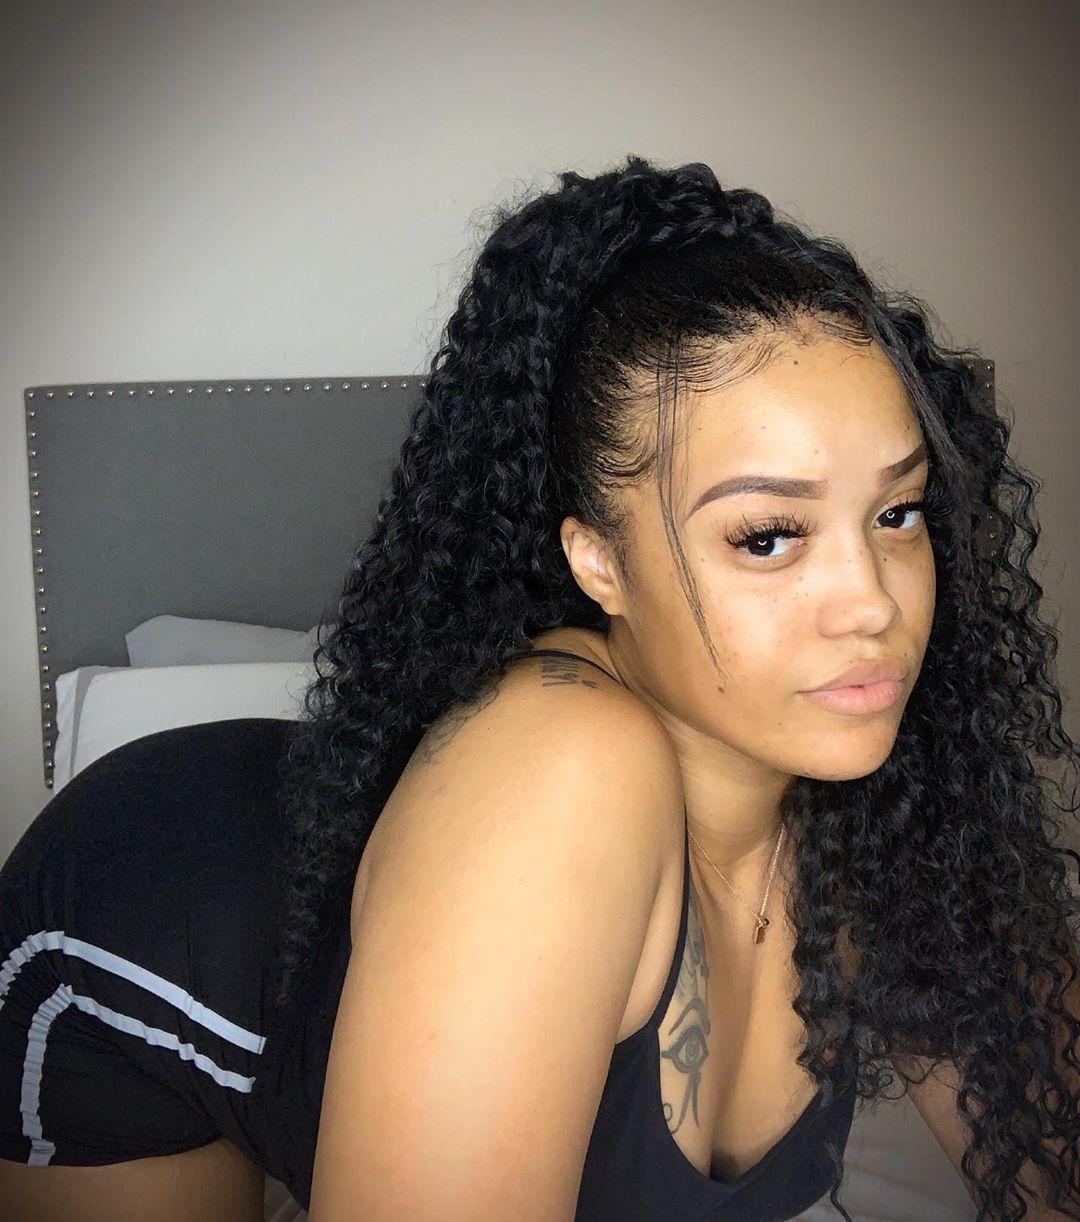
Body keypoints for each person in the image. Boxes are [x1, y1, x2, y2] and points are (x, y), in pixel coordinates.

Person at [2, 155, 1078, 1222]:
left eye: (897, 513)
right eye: (767, 536)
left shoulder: (894, 785)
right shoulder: (559, 771)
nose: (874, 603)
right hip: (129, 944)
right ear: (597, 561)